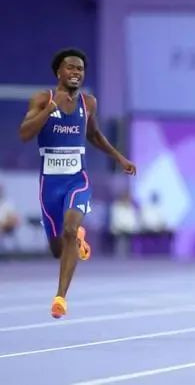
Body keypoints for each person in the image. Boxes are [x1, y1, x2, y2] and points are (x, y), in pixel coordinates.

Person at [19, 48, 136, 319]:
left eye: (80, 69)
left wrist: (119, 157)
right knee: (57, 249)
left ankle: (60, 298)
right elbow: (25, 133)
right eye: (70, 67)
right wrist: (50, 110)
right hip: (49, 184)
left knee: (70, 229)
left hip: (77, 180)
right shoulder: (42, 99)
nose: (76, 72)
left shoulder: (88, 103)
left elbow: (93, 135)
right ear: (58, 72)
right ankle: (76, 241)